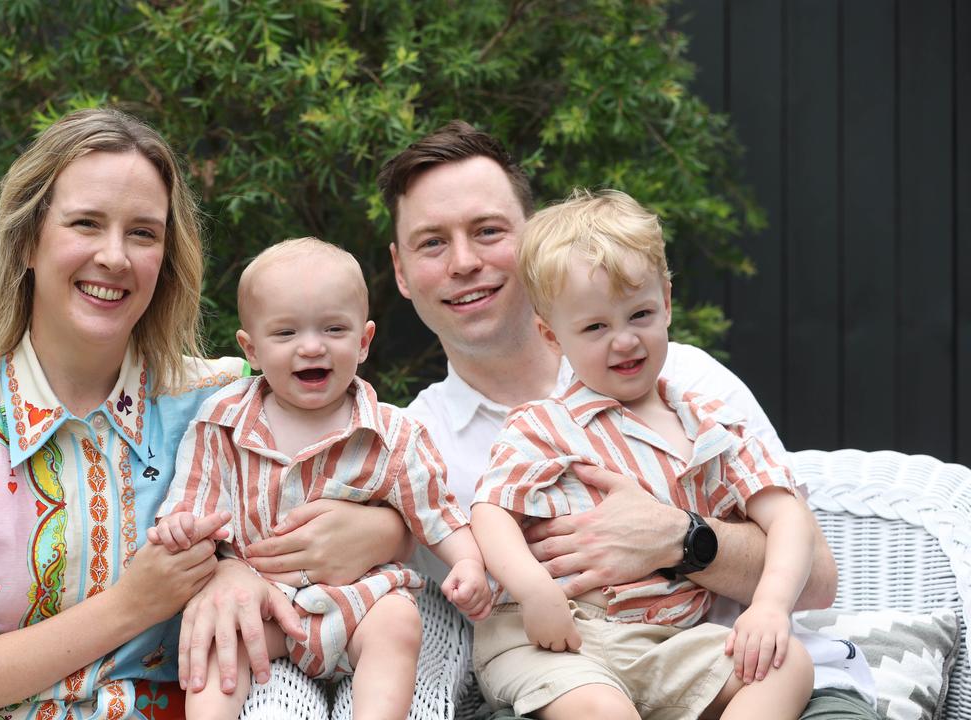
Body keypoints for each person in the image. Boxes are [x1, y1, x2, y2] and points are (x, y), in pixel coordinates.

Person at [379, 121, 879, 719]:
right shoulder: (409, 440)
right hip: (567, 666)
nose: (464, 262)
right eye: (432, 242)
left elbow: (817, 578)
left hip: (721, 662)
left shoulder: (692, 387)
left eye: (488, 231)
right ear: (401, 270)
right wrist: (374, 534)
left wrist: (680, 537)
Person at [0, 107, 305, 719]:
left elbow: (378, 465)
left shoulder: (228, 400)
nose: (114, 256)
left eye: (143, 233)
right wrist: (134, 603)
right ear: (28, 239)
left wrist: (366, 535)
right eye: (86, 223)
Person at [469, 188, 815, 719]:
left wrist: (770, 605)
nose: (624, 340)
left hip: (663, 643)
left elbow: (788, 516)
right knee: (602, 709)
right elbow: (490, 512)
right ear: (551, 335)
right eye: (595, 327)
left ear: (668, 304)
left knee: (788, 664)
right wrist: (534, 589)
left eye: (640, 314)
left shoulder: (711, 426)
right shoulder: (544, 425)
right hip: (557, 636)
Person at [152, 238, 491, 719]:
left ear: (364, 341)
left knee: (398, 622)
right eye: (286, 333)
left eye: (334, 328)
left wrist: (468, 564)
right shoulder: (222, 421)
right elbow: (194, 497)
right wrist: (181, 525)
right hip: (263, 598)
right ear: (251, 348)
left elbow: (436, 512)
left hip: (358, 601)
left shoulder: (391, 432)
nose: (312, 346)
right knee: (218, 634)